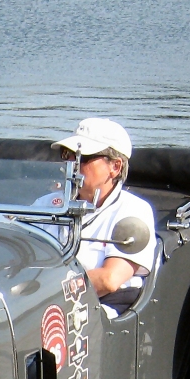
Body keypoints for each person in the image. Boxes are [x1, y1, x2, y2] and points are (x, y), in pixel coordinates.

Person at [55, 117, 158, 312]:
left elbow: (109, 279)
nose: (70, 163)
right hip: (41, 305)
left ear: (115, 167)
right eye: (66, 155)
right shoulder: (46, 203)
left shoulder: (133, 210)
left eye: (81, 158)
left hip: (99, 309)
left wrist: (44, 290)